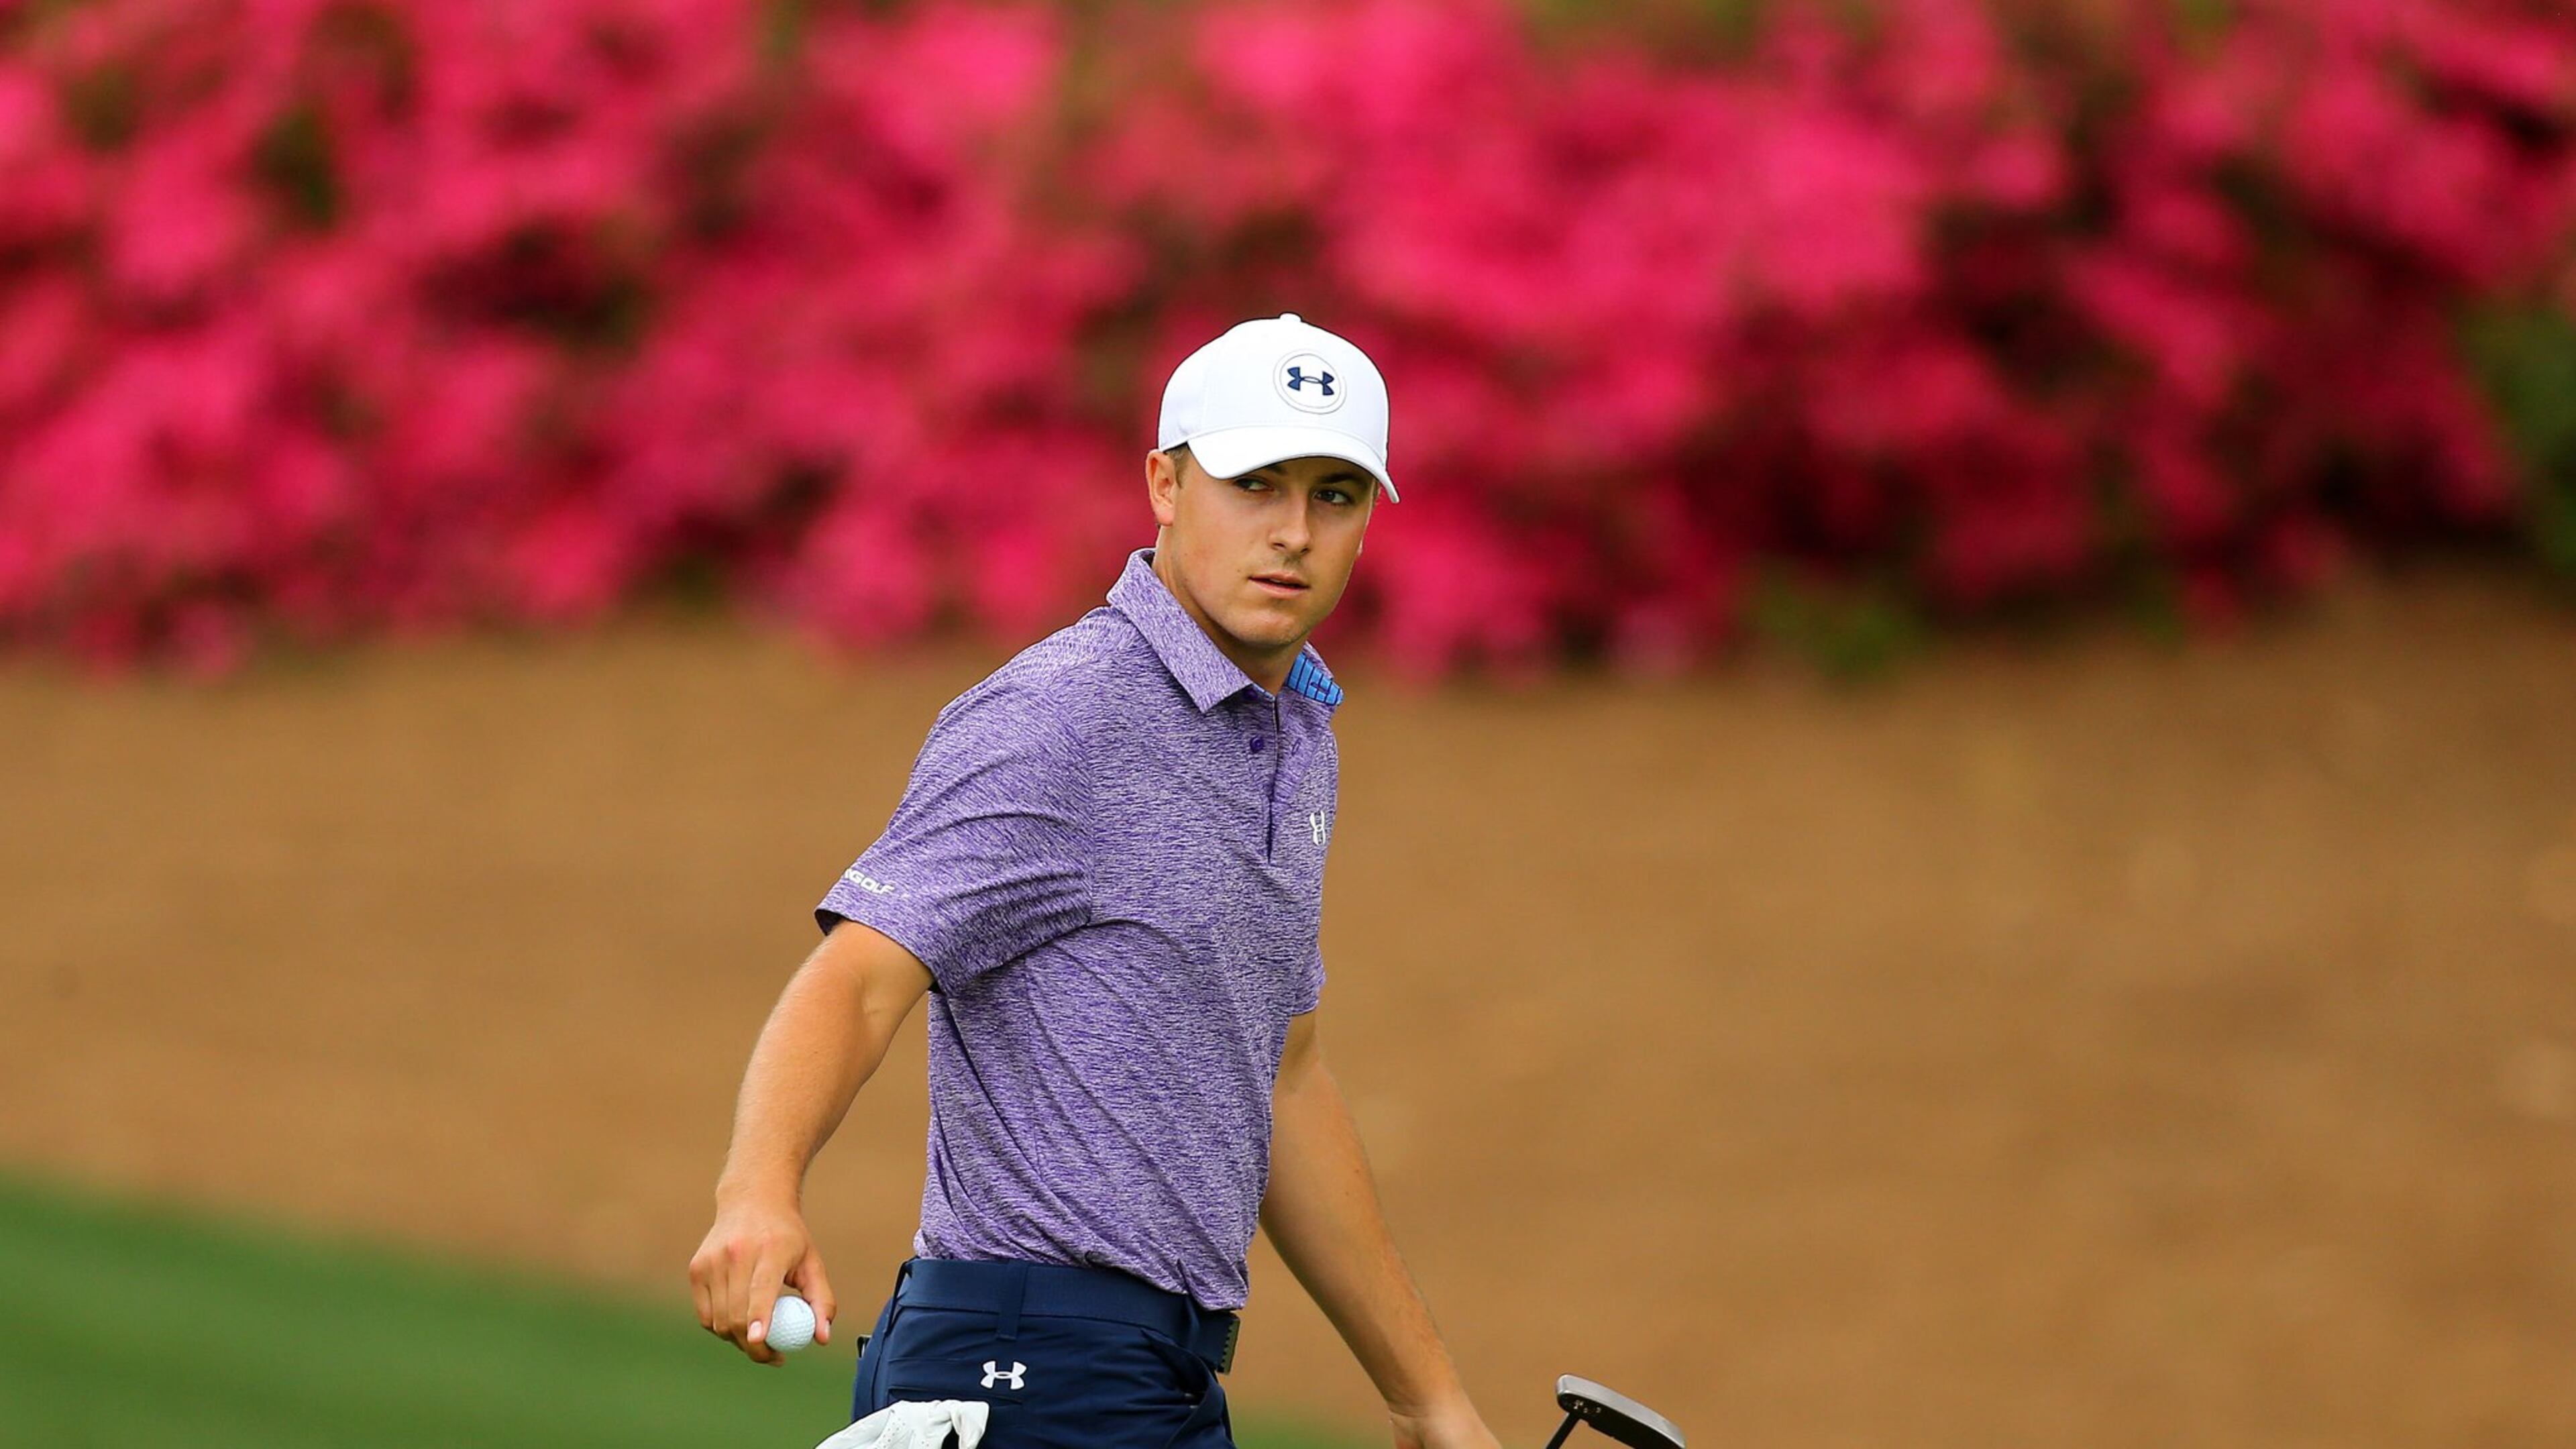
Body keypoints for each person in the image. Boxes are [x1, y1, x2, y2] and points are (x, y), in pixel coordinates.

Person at [689, 314, 1500, 1449]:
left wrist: (1426, 1397)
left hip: (1147, 1379)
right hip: (1025, 1369)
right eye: (1255, 483)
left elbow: (1282, 1080)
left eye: (1335, 495)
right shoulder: (1062, 714)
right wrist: (758, 1191)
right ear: (1165, 486)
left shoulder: (1297, 737)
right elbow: (863, 973)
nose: (1293, 532)